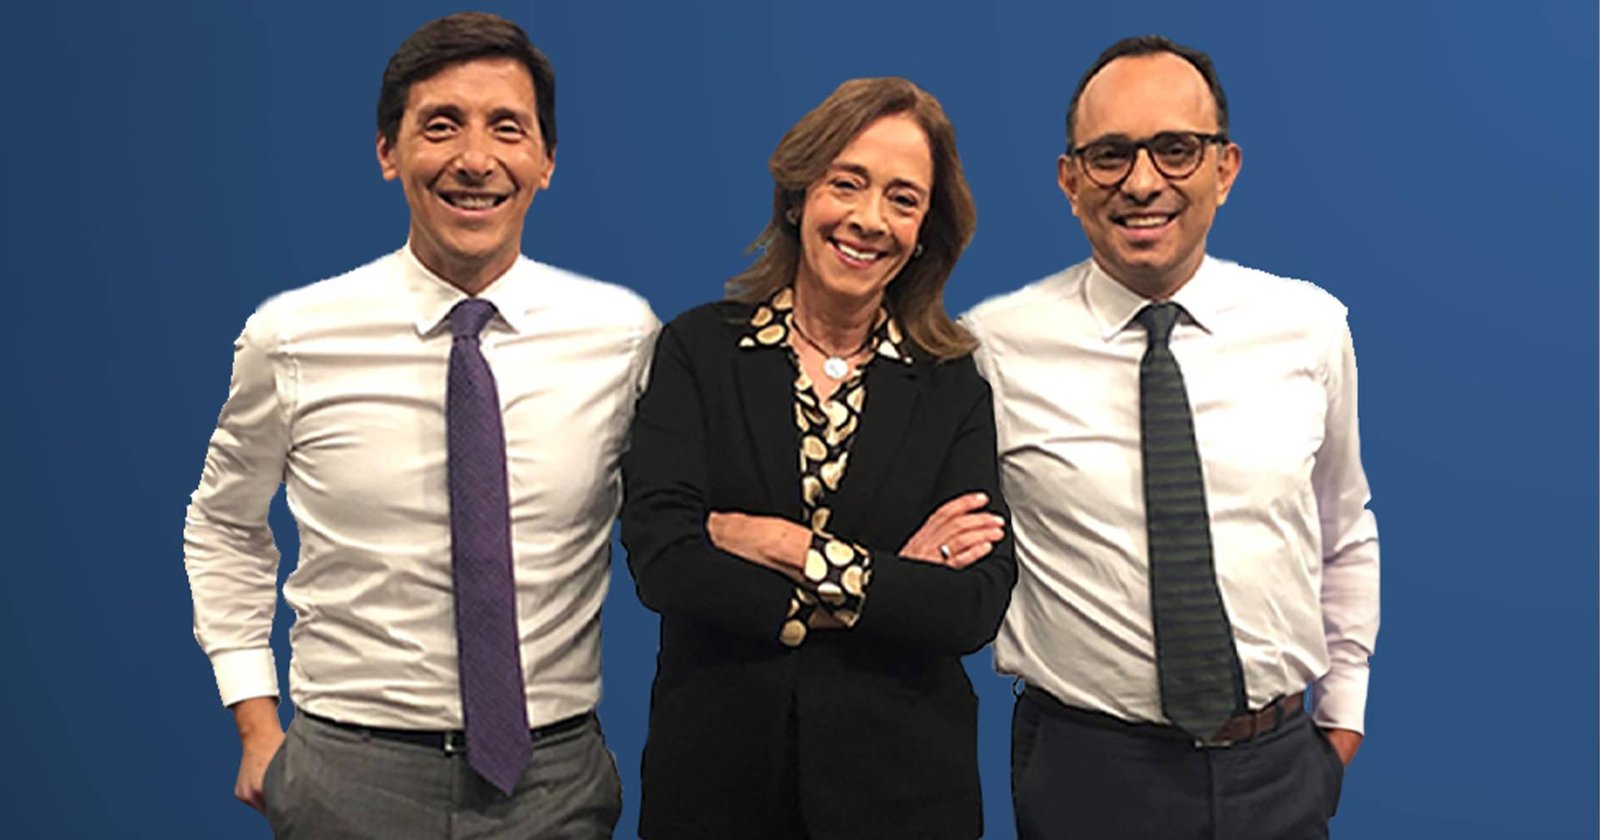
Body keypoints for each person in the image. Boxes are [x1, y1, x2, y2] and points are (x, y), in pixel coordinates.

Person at [182, 12, 656, 838]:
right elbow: (223, 524)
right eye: (440, 126)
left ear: (546, 161)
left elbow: (679, 519)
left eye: (507, 128)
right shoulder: (293, 336)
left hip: (554, 785)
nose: (474, 159)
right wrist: (255, 719)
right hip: (348, 779)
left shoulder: (622, 336)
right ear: (387, 151)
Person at [962, 35, 1380, 839]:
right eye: (1110, 155)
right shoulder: (992, 348)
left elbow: (1344, 526)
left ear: (1225, 168)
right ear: (1070, 180)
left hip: (1281, 770)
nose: (1142, 181)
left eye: (1176, 150)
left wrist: (1343, 718)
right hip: (1090, 774)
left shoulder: (1310, 326)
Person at [620, 77, 1016, 840]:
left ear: (925, 231)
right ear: (799, 197)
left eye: (903, 199)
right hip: (714, 790)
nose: (869, 219)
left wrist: (779, 543)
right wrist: (883, 583)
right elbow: (664, 560)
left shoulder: (951, 383)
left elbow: (970, 605)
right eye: (847, 183)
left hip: (904, 798)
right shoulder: (700, 350)